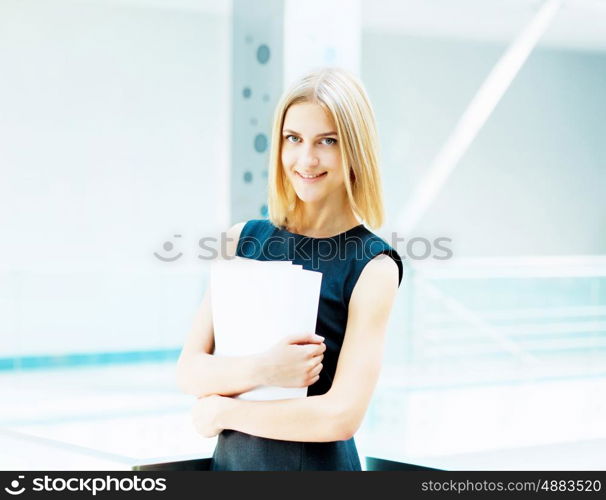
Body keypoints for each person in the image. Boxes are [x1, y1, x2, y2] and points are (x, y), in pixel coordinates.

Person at [176, 66, 404, 471]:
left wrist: (224, 412)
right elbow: (191, 371)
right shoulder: (240, 240)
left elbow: (340, 416)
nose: (306, 158)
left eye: (327, 141)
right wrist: (266, 368)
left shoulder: (373, 265)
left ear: (355, 149)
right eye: (293, 139)